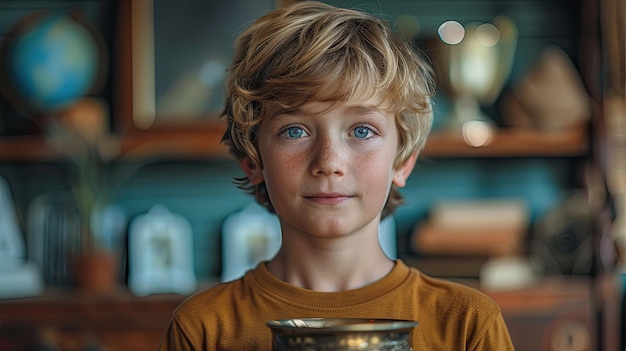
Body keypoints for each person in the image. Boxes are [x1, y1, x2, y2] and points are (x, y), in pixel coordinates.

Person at [158, 1, 515, 350]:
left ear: (402, 162)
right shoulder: (203, 328)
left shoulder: (468, 324)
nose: (329, 162)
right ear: (252, 161)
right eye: (295, 131)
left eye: (362, 131)